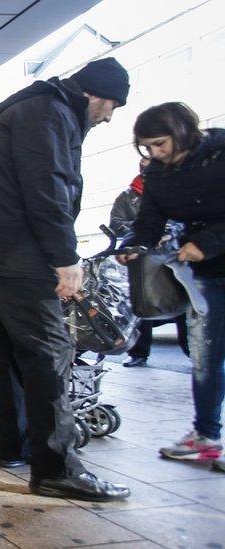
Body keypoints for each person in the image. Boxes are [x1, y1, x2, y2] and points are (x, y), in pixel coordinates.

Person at [0, 57, 132, 501]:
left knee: (4, 350)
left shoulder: (31, 110)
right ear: (95, 94)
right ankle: (57, 467)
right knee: (50, 350)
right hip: (19, 253)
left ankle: (14, 447)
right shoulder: (49, 112)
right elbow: (47, 187)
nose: (109, 117)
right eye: (111, 106)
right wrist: (64, 257)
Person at [119, 102, 225, 463]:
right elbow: (148, 221)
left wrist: (207, 244)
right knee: (205, 357)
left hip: (211, 254)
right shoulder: (158, 175)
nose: (155, 153)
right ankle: (206, 436)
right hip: (206, 276)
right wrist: (132, 246)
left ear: (182, 132)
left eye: (160, 144)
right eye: (147, 147)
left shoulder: (221, 154)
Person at [109, 158, 189, 367]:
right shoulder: (127, 197)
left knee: (184, 300)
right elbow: (118, 224)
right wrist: (140, 234)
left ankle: (191, 348)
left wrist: (166, 232)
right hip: (143, 258)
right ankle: (139, 352)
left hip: (174, 254)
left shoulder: (175, 189)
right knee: (141, 303)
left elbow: (183, 220)